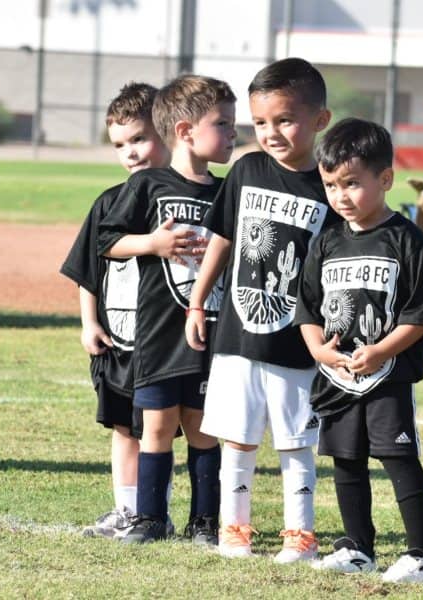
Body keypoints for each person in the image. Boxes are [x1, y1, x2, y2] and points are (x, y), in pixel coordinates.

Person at [184, 57, 336, 562]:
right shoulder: (247, 168)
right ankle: (235, 529)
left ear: (320, 120)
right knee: (238, 438)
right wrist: (198, 300)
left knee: (296, 441)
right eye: (262, 122)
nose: (271, 132)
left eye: (285, 120)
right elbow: (222, 238)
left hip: (299, 342)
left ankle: (301, 536)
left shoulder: (331, 187)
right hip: (238, 335)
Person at [295, 117, 423, 583]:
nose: (340, 196)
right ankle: (357, 546)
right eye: (330, 185)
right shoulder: (326, 241)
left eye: (352, 184)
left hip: (387, 377)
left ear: (385, 179)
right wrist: (320, 351)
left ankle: (420, 554)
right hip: (339, 376)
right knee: (346, 459)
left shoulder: (406, 238)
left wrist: (383, 350)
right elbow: (307, 310)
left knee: (399, 458)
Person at [97, 74, 237, 545]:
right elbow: (108, 242)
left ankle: (204, 522)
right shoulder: (149, 185)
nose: (234, 134)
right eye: (224, 123)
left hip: (210, 332)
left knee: (202, 427)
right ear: (185, 130)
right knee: (155, 428)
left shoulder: (227, 191)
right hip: (158, 334)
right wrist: (154, 243)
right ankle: (150, 518)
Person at [60, 82, 177, 538]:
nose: (130, 152)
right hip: (120, 338)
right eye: (120, 144)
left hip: (169, 342)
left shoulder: (187, 198)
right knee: (124, 427)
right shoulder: (109, 202)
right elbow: (87, 268)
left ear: (169, 131)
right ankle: (128, 510)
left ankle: (159, 512)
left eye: (140, 138)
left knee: (161, 429)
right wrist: (89, 322)